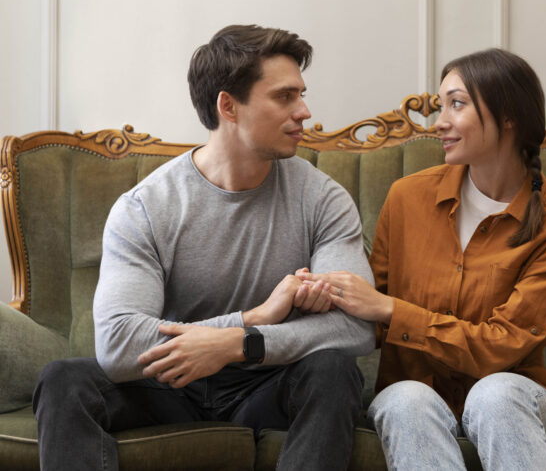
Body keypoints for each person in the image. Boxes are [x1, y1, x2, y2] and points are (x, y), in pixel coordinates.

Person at [33, 25, 376, 470]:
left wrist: (239, 343)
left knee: (332, 371)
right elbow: (117, 345)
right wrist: (249, 319)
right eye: (284, 97)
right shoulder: (146, 207)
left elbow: (356, 328)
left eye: (301, 95)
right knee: (64, 380)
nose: (305, 112)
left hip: (267, 384)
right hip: (172, 384)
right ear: (228, 105)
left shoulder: (323, 199)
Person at [299, 48, 546, 470]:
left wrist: (391, 310)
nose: (440, 122)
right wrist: (320, 293)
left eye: (457, 104)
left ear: (509, 117)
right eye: (441, 106)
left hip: (513, 392)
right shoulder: (407, 198)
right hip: (413, 390)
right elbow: (370, 313)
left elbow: (503, 345)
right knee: (405, 398)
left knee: (495, 393)